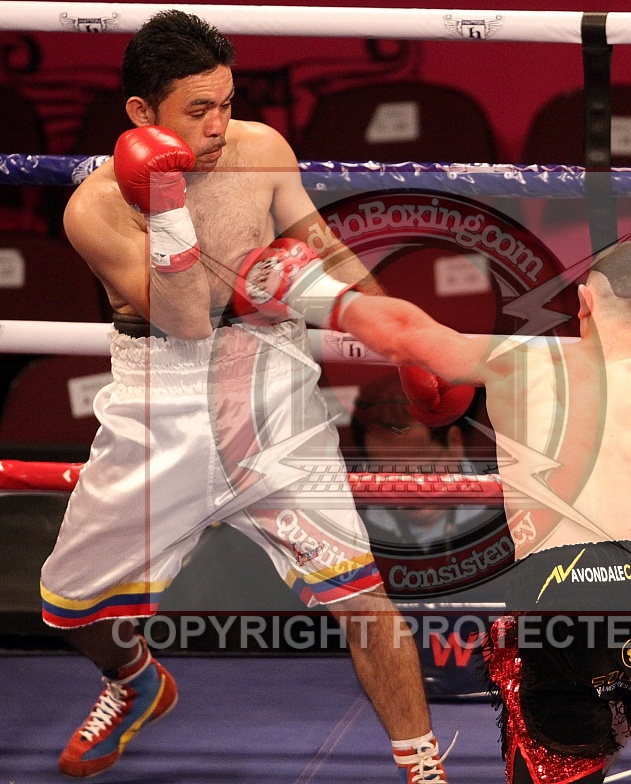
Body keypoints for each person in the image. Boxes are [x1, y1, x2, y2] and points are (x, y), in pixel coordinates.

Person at [42, 11, 464, 781]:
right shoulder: (95, 208)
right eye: (197, 109)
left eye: (226, 103)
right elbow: (183, 319)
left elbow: (322, 246)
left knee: (362, 596)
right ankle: (136, 682)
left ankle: (424, 768)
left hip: (272, 389)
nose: (217, 125)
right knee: (70, 606)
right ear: (141, 113)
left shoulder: (261, 150)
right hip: (160, 397)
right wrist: (166, 197)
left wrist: (401, 342)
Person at [256, 238, 631, 782]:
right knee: (604, 725)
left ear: (584, 302)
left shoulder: (517, 362)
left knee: (558, 758)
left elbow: (405, 333)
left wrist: (304, 287)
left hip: (564, 597)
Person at [350, 373, 510, 602]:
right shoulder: (349, 526)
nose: (413, 492)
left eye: (425, 470)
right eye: (392, 479)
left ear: (455, 443)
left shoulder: (514, 513)